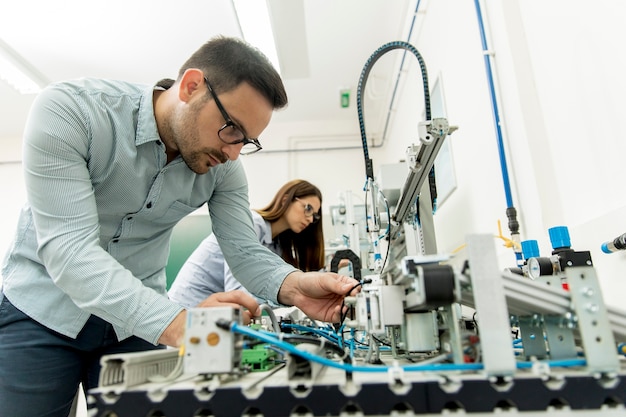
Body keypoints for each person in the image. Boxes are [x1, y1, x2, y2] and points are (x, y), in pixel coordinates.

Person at [0, 36, 359, 417]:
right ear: (191, 86)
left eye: (247, 141)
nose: (233, 152)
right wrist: (182, 325)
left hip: (132, 328)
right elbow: (71, 254)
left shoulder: (225, 169)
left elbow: (244, 251)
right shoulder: (72, 111)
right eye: (231, 128)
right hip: (40, 313)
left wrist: (294, 287)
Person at [169, 179, 326, 308]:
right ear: (286, 200)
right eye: (308, 209)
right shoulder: (252, 224)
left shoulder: (276, 245)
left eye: (315, 216)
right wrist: (289, 297)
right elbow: (237, 292)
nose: (311, 219)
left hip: (213, 313)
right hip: (189, 307)